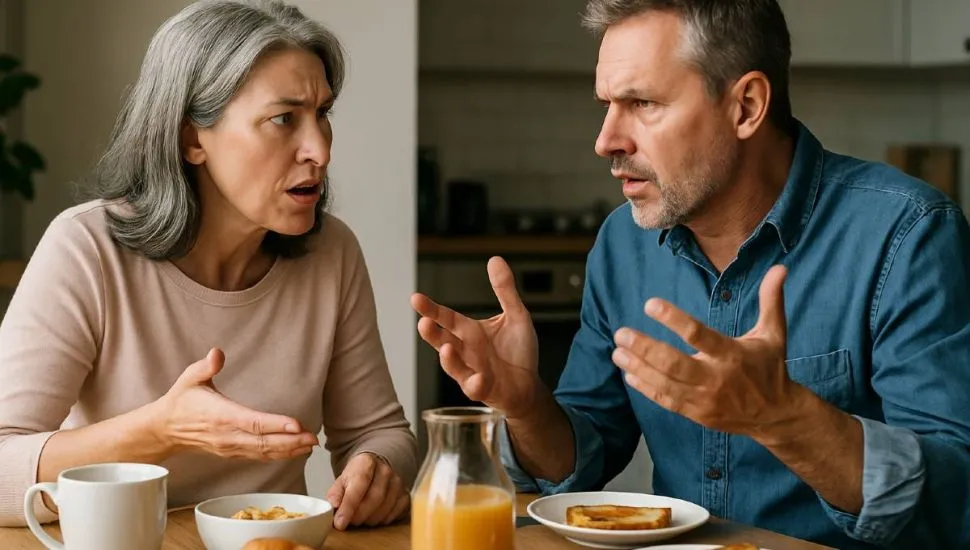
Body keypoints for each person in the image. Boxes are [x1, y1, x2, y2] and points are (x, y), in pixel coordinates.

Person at [411, 1, 970, 548]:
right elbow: (582, 462)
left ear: (746, 106)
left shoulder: (907, 235)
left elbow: (953, 502)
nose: (606, 141)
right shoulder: (622, 244)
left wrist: (783, 417)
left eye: (642, 103)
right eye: (607, 105)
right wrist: (527, 406)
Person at [0, 0, 416, 531]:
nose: (319, 150)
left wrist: (375, 469)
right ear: (192, 137)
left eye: (322, 115)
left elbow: (380, 433)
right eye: (283, 119)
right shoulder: (86, 249)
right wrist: (160, 430)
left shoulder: (332, 253)